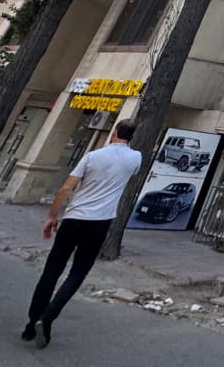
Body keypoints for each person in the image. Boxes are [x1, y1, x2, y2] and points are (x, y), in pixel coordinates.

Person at [23, 119, 142, 349]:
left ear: (114, 132)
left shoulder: (92, 156)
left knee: (52, 270)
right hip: (100, 222)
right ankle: (48, 317)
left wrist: (52, 216)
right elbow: (129, 176)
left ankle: (31, 323)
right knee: (77, 273)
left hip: (74, 217)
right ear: (131, 137)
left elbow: (65, 188)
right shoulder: (136, 158)